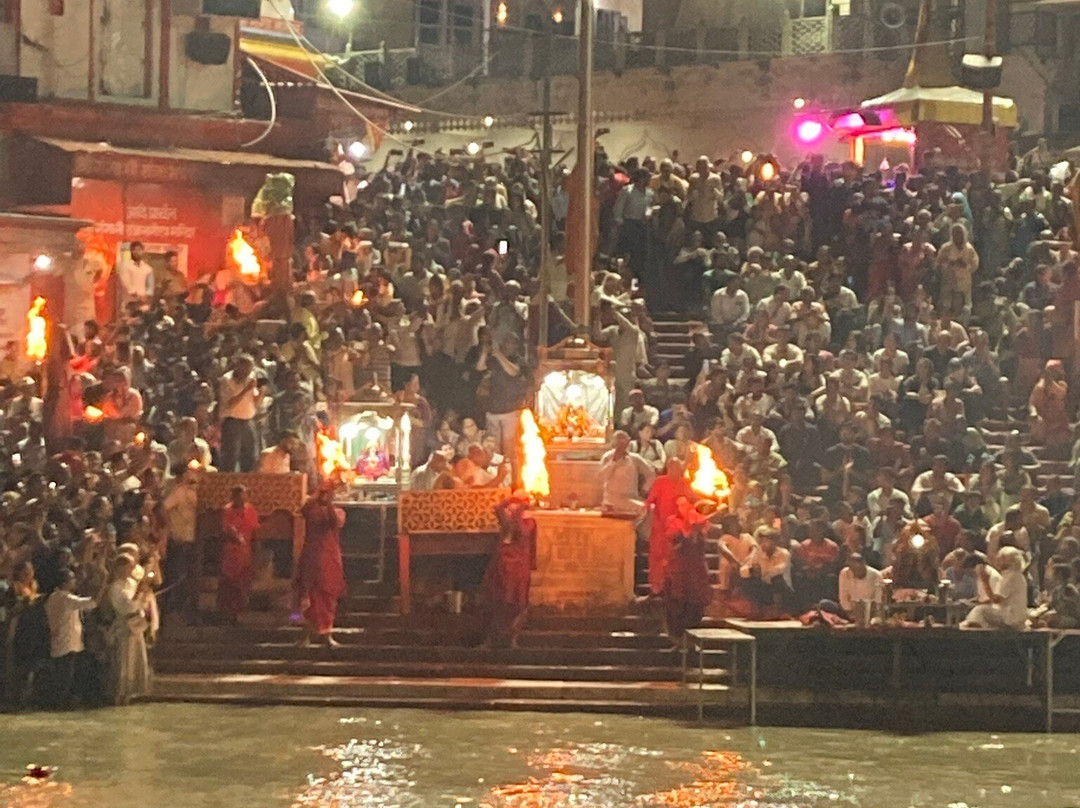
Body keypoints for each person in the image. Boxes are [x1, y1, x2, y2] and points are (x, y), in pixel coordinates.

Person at [480, 494, 536, 648]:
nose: (510, 511)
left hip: (518, 568)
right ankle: (490, 639)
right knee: (495, 600)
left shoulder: (528, 522)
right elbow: (498, 509)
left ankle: (513, 639)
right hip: (501, 566)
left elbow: (520, 532)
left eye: (514, 508)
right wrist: (511, 499)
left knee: (518, 603)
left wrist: (520, 508)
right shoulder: (505, 522)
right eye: (510, 509)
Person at [295, 479, 347, 646]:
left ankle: (326, 633)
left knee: (328, 596)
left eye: (328, 493)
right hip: (311, 554)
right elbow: (303, 510)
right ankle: (307, 634)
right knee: (308, 595)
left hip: (329, 557)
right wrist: (317, 494)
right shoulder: (311, 508)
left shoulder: (337, 512)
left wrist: (329, 503)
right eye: (323, 493)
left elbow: (335, 522)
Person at [662, 496, 713, 641]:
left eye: (686, 505)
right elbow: (675, 540)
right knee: (676, 606)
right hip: (678, 569)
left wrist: (697, 530)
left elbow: (701, 542)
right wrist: (689, 532)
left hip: (696, 571)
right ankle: (677, 639)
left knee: (696, 606)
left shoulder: (701, 521)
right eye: (680, 505)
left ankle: (691, 640)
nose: (683, 508)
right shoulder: (673, 521)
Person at [44, 569, 97, 708]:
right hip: (67, 643)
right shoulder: (64, 598)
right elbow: (89, 603)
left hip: (63, 642)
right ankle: (60, 704)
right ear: (64, 582)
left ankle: (62, 702)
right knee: (64, 677)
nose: (74, 581)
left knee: (64, 675)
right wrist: (103, 586)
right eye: (71, 579)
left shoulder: (54, 597)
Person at [105, 554, 152, 705]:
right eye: (128, 566)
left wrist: (143, 598)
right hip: (125, 626)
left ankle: (130, 693)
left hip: (135, 624)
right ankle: (119, 694)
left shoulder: (131, 582)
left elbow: (139, 604)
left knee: (135, 660)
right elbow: (126, 606)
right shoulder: (116, 587)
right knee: (124, 660)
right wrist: (138, 595)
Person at [643, 458, 693, 596]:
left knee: (675, 558)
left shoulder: (685, 483)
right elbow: (650, 501)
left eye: (677, 468)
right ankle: (656, 587)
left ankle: (672, 587)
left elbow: (690, 501)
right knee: (657, 556)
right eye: (672, 468)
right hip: (660, 527)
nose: (674, 471)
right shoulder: (660, 482)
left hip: (678, 529)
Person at [218, 485, 260, 624]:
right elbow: (225, 530)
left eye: (244, 497)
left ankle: (239, 613)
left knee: (242, 583)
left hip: (245, 552)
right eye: (239, 497)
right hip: (231, 552)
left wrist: (255, 551)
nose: (242, 500)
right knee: (229, 583)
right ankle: (226, 614)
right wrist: (233, 535)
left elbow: (254, 532)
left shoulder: (251, 510)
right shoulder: (227, 510)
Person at [961, 546, 1028, 630]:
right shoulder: (1017, 575)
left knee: (979, 610)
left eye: (1000, 559)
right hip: (1017, 616)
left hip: (1011, 617)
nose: (997, 562)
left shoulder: (1010, 577)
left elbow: (995, 600)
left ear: (1008, 561)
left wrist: (985, 581)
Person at [218, 354, 261, 472]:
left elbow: (254, 400)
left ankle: (247, 481)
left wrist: (261, 392)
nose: (247, 373)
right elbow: (229, 403)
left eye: (250, 369)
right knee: (230, 456)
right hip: (233, 421)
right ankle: (227, 481)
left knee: (250, 455)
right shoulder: (227, 380)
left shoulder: (251, 377)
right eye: (245, 369)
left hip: (248, 420)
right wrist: (246, 389)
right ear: (238, 367)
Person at [598, 430, 655, 516]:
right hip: (612, 500)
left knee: (651, 508)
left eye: (624, 440)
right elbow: (601, 477)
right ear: (614, 442)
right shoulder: (607, 457)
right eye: (618, 440)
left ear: (628, 441)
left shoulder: (635, 458)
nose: (621, 443)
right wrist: (614, 462)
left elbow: (651, 473)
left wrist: (645, 489)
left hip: (632, 498)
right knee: (645, 509)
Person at [118, 241, 153, 308]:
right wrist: (138, 296)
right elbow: (126, 283)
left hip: (144, 304)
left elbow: (150, 286)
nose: (136, 252)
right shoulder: (125, 266)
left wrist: (147, 296)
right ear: (131, 251)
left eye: (139, 250)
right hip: (130, 303)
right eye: (134, 250)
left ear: (143, 251)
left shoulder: (148, 268)